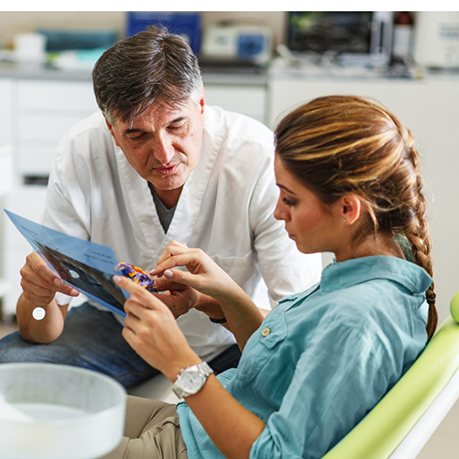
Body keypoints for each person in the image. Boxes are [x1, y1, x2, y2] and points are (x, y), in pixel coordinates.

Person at [100, 95, 437, 459]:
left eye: (290, 199)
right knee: (38, 409)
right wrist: (218, 298)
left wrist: (179, 362)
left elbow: (274, 455)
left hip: (192, 449)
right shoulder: (371, 269)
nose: (278, 212)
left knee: (35, 436)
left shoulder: (358, 320)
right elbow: (283, 368)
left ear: (348, 208)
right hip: (194, 427)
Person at [0, 26, 321, 386]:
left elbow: (300, 328)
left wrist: (207, 300)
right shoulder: (82, 151)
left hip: (229, 341)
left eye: (177, 126)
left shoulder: (259, 158)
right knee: (9, 367)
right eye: (137, 135)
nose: (164, 154)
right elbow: (40, 330)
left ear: (200, 104)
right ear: (111, 129)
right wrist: (36, 297)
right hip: (121, 327)